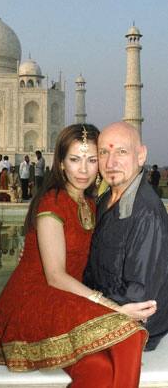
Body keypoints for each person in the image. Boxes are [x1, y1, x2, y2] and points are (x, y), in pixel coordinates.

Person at [0, 124, 154, 387]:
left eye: (91, 160)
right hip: (36, 298)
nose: (84, 169)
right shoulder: (53, 202)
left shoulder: (90, 203)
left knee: (109, 359)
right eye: (75, 159)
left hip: (67, 297)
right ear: (62, 163)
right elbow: (54, 275)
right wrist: (113, 308)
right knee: (127, 338)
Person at [84, 122, 168, 352]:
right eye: (104, 153)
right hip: (108, 309)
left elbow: (139, 296)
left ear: (141, 156)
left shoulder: (145, 213)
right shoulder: (105, 201)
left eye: (121, 152)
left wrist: (87, 302)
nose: (110, 163)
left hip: (136, 329)